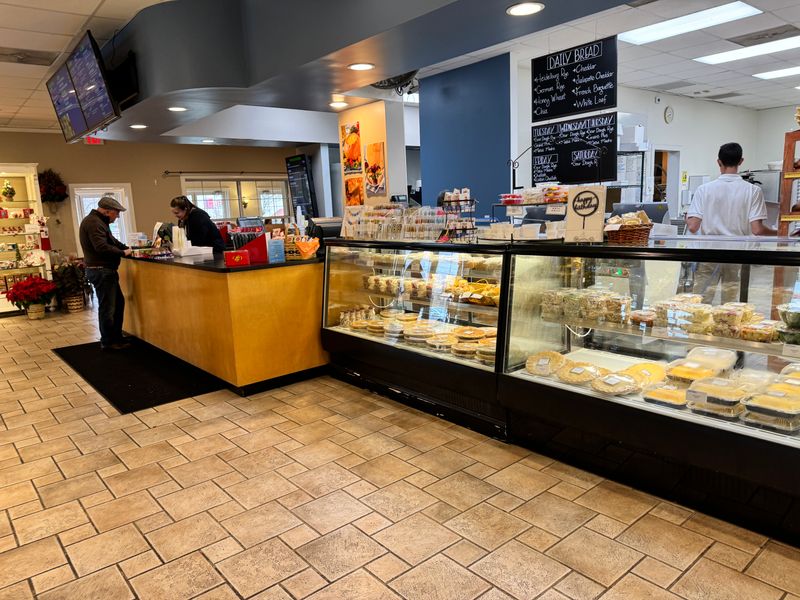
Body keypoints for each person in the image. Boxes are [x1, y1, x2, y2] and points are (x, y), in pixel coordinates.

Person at [686, 142, 776, 303]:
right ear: (741, 161)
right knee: (730, 306)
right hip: (737, 255)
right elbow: (757, 229)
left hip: (709, 254)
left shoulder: (704, 190)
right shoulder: (753, 191)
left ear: (718, 162)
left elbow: (693, 226)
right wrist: (780, 232)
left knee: (700, 302)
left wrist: (688, 217)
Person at [79, 195, 132, 351]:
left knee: (117, 304)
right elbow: (101, 247)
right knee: (108, 308)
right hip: (101, 270)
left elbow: (112, 241)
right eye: (117, 213)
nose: (118, 216)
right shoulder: (94, 223)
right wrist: (123, 252)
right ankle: (109, 342)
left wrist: (128, 248)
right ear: (107, 211)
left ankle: (115, 338)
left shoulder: (98, 221)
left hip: (102, 270)